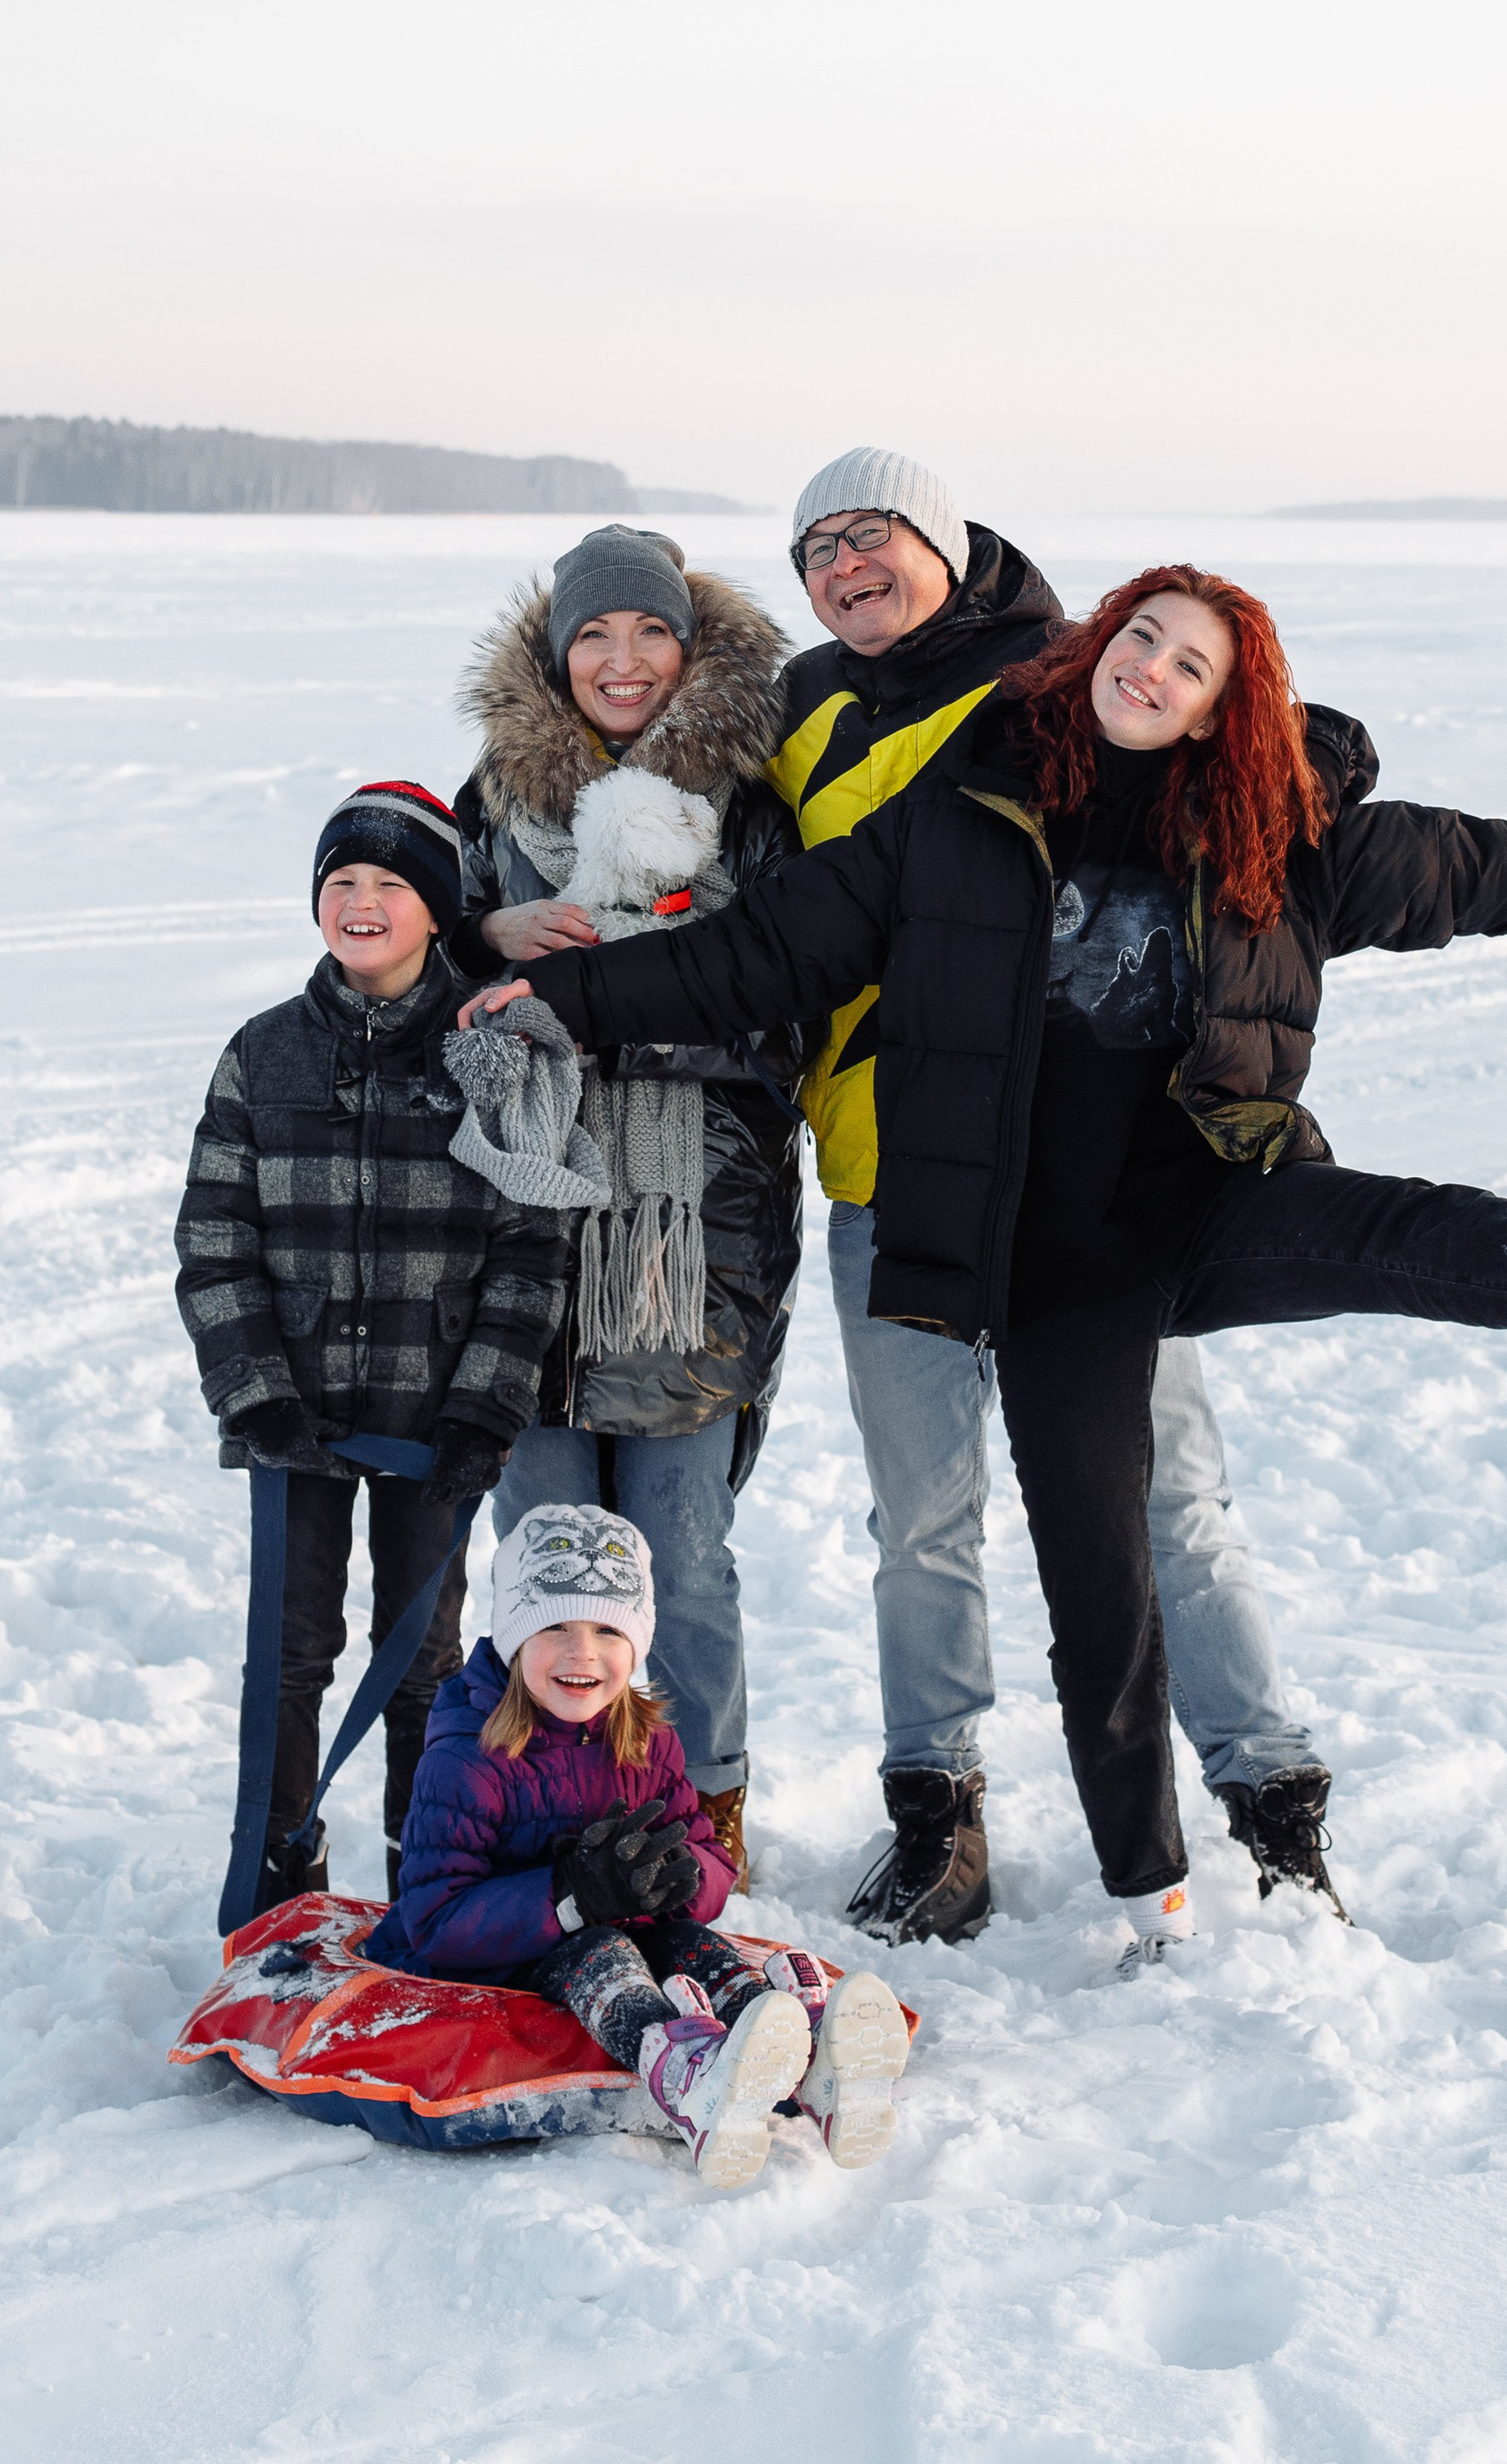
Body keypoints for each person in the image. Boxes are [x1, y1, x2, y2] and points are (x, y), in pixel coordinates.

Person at [462, 565, 1507, 1967]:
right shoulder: (963, 813)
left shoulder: (1284, 832)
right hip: (1040, 1266)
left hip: (1198, 1202)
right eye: (1141, 637)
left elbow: (1485, 866)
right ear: (1099, 645)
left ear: (1227, 706)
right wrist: (559, 992)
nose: (1151, 669)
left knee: (1383, 1230)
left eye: (1189, 664)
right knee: (1098, 1589)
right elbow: (761, 954)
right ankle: (1149, 1896)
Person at [769, 449, 1327, 1940]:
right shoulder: (801, 708)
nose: (844, 563)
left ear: (942, 545)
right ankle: (938, 1817)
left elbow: (1255, 755)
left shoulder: (1056, 676)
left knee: (1170, 1501)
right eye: (816, 546)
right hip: (892, 1177)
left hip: (1082, 1186)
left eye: (870, 533)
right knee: (923, 1518)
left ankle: (1274, 1805)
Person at [445, 526, 804, 1894]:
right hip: (528, 1230)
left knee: (682, 1554)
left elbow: (789, 1001)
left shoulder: (751, 812)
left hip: (695, 1237)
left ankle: (703, 1806)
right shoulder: (494, 810)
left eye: (650, 633)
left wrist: (637, 980)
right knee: (542, 1552)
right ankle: (548, 1804)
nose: (623, 659)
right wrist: (490, 941)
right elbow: (422, 982)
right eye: (595, 635)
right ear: (556, 653)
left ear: (690, 648)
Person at [173, 780, 580, 1909]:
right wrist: (254, 1394)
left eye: (390, 884)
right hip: (295, 1420)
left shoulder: (490, 1050)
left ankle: (427, 1880)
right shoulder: (262, 1054)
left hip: (431, 1418)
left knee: (424, 1664)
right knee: (290, 1658)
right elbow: (214, 1238)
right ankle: (275, 1881)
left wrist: (486, 1407)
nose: (360, 902)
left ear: (437, 907)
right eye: (340, 882)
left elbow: (529, 1244)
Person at [374, 1504, 911, 2188]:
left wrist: (691, 1877)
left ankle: (804, 2062)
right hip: (515, 1959)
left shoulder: (648, 1741)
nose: (583, 1652)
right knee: (603, 1951)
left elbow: (708, 1851)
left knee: (691, 1946)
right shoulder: (470, 1757)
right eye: (555, 1626)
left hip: (632, 1932)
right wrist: (569, 1897)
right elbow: (434, 1922)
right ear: (511, 1635)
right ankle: (688, 2076)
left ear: (637, 1642)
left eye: (607, 1629)